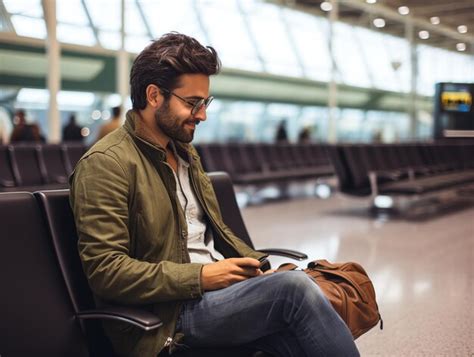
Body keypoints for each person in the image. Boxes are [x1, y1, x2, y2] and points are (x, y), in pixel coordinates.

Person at [70, 33, 358, 357]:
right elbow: (107, 272)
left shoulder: (185, 155)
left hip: (216, 295)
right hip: (169, 315)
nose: (202, 115)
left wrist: (260, 267)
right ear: (153, 95)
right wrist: (202, 276)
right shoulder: (106, 164)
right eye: (192, 103)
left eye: (205, 103)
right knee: (294, 294)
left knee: (299, 338)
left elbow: (216, 234)